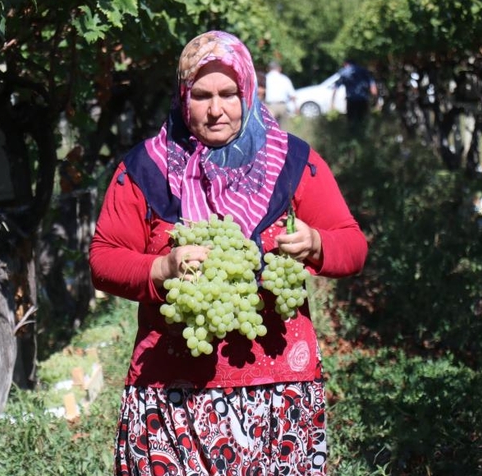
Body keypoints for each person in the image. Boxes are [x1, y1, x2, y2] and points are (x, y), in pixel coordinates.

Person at [89, 30, 367, 475]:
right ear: (183, 97)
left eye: (228, 93)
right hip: (171, 396)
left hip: (280, 393)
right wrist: (160, 267)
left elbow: (352, 245)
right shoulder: (144, 169)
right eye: (201, 96)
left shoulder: (293, 162)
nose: (216, 109)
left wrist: (317, 244)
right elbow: (104, 259)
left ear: (248, 91)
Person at [334, 58, 378, 129]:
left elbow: (336, 87)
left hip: (351, 99)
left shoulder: (344, 72)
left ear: (346, 64)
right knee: (362, 119)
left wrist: (332, 102)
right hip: (362, 99)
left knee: (351, 119)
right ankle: (362, 134)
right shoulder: (363, 70)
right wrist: (375, 99)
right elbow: (372, 85)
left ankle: (352, 135)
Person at [264, 60, 296, 127]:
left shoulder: (265, 78)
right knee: (283, 128)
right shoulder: (285, 79)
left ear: (268, 69)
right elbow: (292, 95)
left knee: (270, 128)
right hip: (282, 105)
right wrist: (296, 107)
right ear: (279, 68)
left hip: (270, 106)